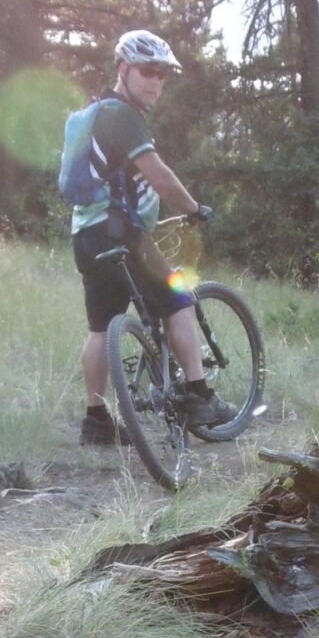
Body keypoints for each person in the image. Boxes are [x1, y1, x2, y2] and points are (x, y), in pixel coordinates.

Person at [63, 31, 227, 442]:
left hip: (86, 235)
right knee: (180, 299)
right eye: (147, 72)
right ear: (123, 70)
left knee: (102, 328)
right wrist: (193, 209)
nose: (155, 81)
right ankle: (198, 395)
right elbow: (159, 175)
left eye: (162, 75)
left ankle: (96, 421)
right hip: (123, 233)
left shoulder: (94, 112)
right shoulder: (122, 115)